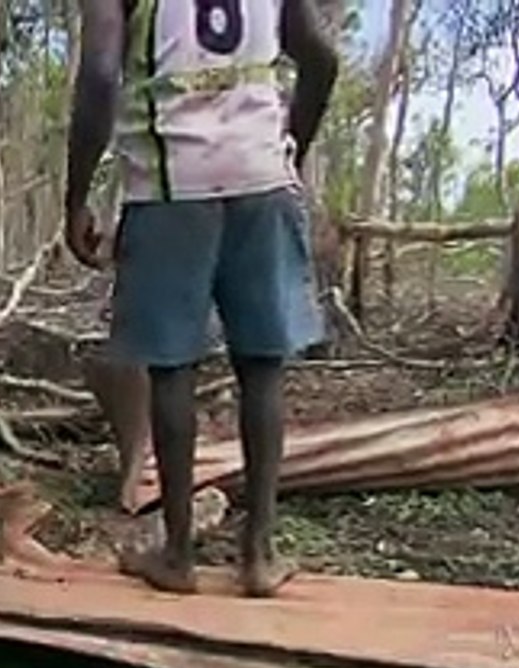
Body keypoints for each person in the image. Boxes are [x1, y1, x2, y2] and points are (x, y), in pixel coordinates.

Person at [63, 0, 338, 597]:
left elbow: (100, 73)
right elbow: (320, 58)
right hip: (259, 177)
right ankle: (259, 555)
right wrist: (292, 144)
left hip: (169, 185)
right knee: (262, 367)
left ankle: (179, 553)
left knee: (171, 369)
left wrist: (77, 195)